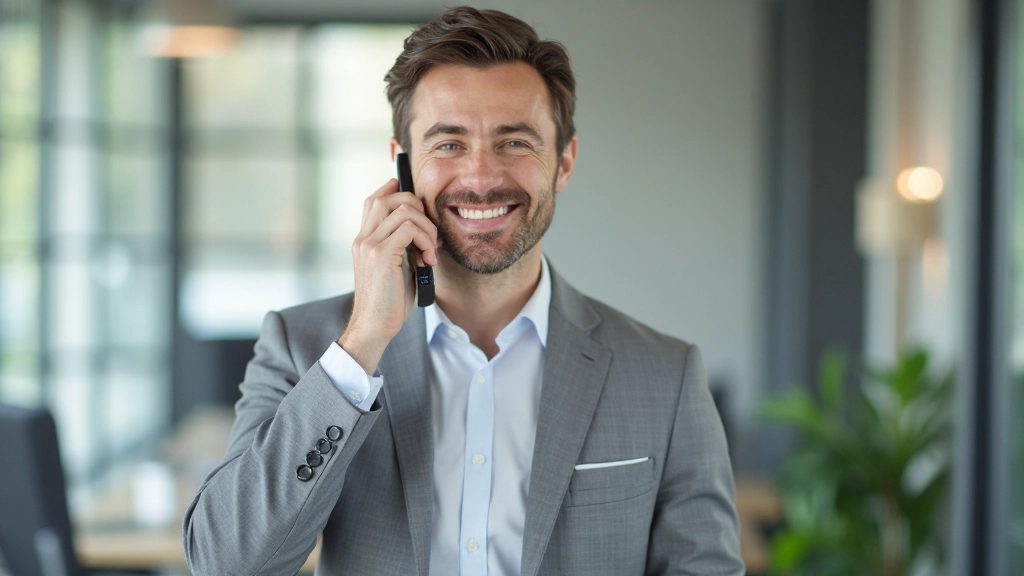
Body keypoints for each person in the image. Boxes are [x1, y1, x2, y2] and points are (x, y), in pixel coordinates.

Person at [182, 6, 743, 576]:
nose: (480, 178)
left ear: (564, 162)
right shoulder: (305, 347)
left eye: (515, 142)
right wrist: (364, 342)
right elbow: (227, 565)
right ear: (402, 166)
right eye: (449, 144)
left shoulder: (665, 377)